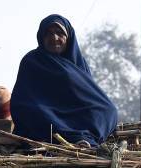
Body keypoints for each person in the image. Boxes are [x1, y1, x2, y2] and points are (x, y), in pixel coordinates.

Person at [11, 14, 118, 148]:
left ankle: (87, 137)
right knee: (39, 115)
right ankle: (75, 139)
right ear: (41, 37)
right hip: (48, 117)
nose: (54, 38)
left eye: (59, 33)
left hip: (77, 116)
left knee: (109, 109)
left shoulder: (79, 63)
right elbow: (22, 101)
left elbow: (91, 99)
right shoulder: (32, 60)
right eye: (48, 34)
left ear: (69, 37)